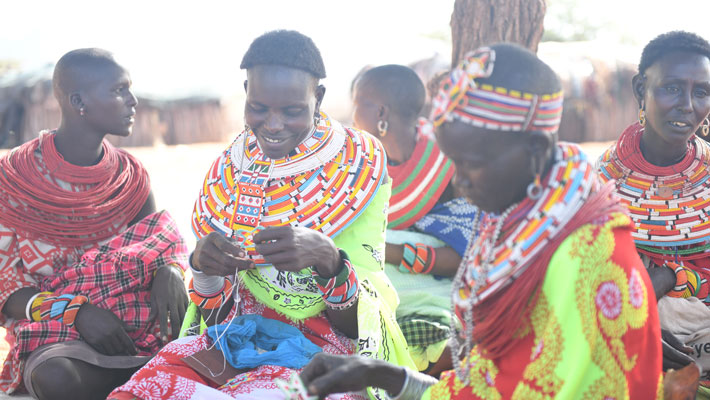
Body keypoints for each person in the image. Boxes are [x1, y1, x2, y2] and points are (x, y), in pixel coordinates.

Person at [298, 43, 663, 399]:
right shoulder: (512, 221)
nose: (459, 180)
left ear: (535, 150)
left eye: (471, 163)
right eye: (454, 161)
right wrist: (382, 374)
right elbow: (489, 384)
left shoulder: (587, 260)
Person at [109, 30, 414, 400]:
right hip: (239, 343)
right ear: (245, 93)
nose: (272, 124)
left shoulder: (355, 170)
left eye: (291, 110)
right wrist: (203, 268)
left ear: (317, 98)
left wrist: (328, 260)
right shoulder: (232, 174)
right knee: (141, 390)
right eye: (258, 107)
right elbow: (219, 322)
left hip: (325, 356)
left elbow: (356, 329)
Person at [0, 48, 189, 399]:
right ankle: (151, 377)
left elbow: (155, 247)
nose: (133, 101)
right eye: (119, 90)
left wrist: (170, 271)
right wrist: (76, 311)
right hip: (57, 333)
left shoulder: (130, 179)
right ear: (78, 101)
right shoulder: (13, 181)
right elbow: (6, 290)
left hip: (133, 325)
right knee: (56, 378)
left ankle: (151, 372)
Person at [597, 31, 710, 376]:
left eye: (701, 92)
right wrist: (638, 321)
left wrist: (670, 278)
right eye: (672, 88)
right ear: (639, 90)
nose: (688, 105)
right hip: (623, 318)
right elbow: (589, 272)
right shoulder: (603, 179)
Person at [351, 65, 476, 373]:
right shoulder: (356, 163)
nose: (352, 113)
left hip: (439, 296)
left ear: (380, 111)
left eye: (357, 102)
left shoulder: (447, 162)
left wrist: (386, 251)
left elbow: (470, 253)